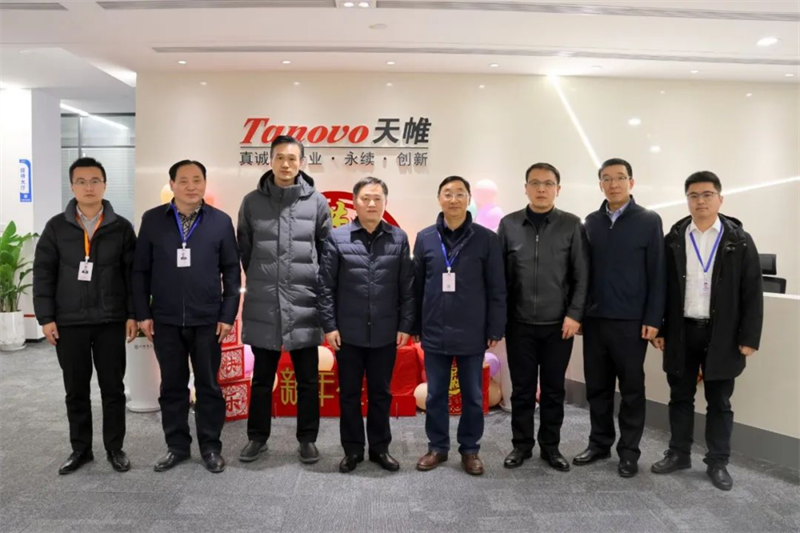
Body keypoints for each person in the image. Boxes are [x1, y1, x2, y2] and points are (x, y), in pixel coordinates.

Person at [651, 171, 763, 491]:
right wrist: (660, 327)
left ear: (720, 199)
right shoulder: (674, 238)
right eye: (694, 195)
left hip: (722, 335)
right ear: (687, 199)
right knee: (680, 397)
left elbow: (752, 291)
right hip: (681, 331)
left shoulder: (739, 240)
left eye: (707, 194)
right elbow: (662, 288)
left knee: (719, 402)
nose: (700, 201)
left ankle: (718, 462)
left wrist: (749, 337)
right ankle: (679, 453)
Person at [132, 159, 241, 473]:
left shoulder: (220, 221)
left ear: (205, 183)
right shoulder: (153, 220)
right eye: (184, 180)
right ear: (172, 185)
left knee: (208, 386)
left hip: (208, 320)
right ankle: (177, 447)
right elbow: (140, 270)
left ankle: (210, 447)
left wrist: (228, 315)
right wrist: (143, 313)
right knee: (172, 386)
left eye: (197, 180)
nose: (191, 186)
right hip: (165, 319)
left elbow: (232, 271)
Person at [33, 157, 138, 475]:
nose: (88, 187)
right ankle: (81, 449)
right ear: (72, 186)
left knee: (113, 388)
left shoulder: (121, 227)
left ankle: (114, 448)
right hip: (69, 322)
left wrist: (133, 314)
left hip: (110, 320)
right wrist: (45, 318)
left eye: (95, 181)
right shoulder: (56, 227)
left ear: (105, 185)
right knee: (76, 390)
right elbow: (43, 274)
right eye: (81, 181)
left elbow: (133, 275)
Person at [237, 135, 332, 464]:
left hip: (304, 301)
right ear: (270, 160)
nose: (286, 164)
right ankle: (257, 437)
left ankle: (307, 439)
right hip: (264, 302)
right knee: (262, 378)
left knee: (307, 379)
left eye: (292, 158)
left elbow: (326, 251)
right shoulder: (252, 202)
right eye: (280, 158)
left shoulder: (317, 202)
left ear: (302, 162)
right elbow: (245, 250)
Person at [575, 158, 666, 478]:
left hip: (631, 322)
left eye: (620, 177)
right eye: (607, 178)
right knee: (597, 389)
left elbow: (658, 272)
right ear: (600, 184)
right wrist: (580, 314)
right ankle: (599, 443)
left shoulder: (649, 220)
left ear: (631, 182)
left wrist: (655, 318)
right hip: (596, 320)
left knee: (631, 390)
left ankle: (628, 452)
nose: (613, 184)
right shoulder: (591, 221)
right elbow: (583, 273)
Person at [317, 177, 414, 473]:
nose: (371, 204)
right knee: (348, 394)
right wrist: (329, 326)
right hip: (348, 333)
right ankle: (352, 450)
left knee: (381, 394)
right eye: (365, 198)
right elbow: (325, 287)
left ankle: (380, 448)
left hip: (385, 332)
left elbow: (407, 288)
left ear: (385, 203)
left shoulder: (398, 238)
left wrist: (405, 326)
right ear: (355, 202)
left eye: (377, 198)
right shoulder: (337, 238)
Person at [412, 176, 506, 476]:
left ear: (469, 199)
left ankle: (470, 449)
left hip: (472, 330)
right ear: (439, 198)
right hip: (434, 329)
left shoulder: (486, 239)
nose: (454, 200)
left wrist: (495, 328)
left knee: (473, 396)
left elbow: (497, 287)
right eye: (448, 194)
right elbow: (416, 286)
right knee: (436, 395)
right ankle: (437, 447)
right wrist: (414, 325)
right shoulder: (425, 237)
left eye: (460, 194)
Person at [498, 163, 589, 471]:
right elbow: (499, 278)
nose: (541, 189)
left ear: (557, 189)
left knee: (553, 391)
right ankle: (521, 445)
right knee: (522, 390)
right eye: (535, 183)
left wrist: (574, 314)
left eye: (548, 183)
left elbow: (582, 275)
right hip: (519, 324)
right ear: (525, 188)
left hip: (558, 326)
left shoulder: (571, 224)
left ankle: (551, 447)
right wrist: (500, 319)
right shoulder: (509, 224)